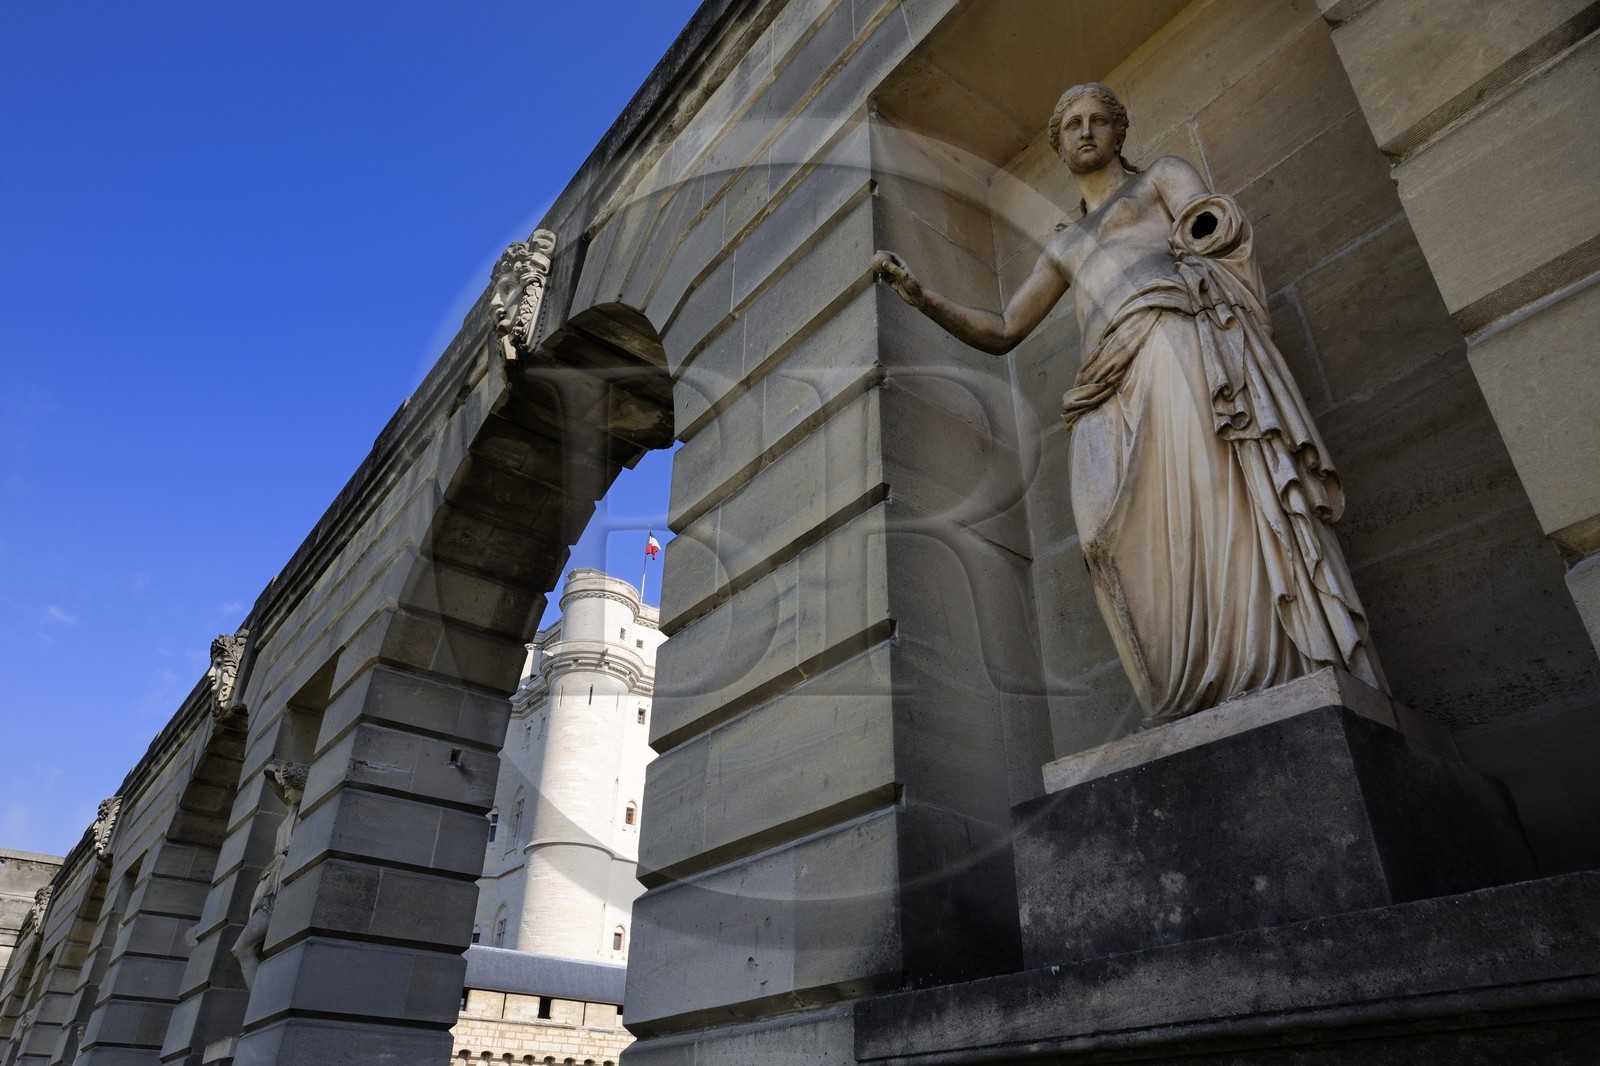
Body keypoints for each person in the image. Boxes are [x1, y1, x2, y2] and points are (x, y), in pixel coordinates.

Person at [873, 82, 1385, 727]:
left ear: (1118, 132)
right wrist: (923, 297)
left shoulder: (1160, 178)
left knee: (1211, 491)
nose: (1085, 131)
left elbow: (1210, 222)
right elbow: (1004, 328)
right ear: (1059, 145)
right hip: (1103, 387)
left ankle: (1264, 662)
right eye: (1071, 125)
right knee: (1103, 536)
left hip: (1171, 342)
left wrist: (1205, 230)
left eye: (1098, 121)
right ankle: (1187, 681)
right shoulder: (1063, 244)